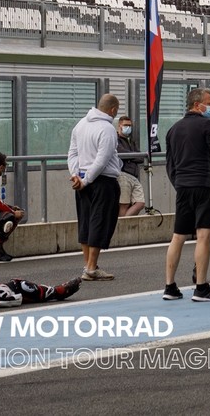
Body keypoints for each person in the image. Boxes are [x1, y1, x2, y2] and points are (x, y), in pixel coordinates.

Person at [162, 87, 210, 302]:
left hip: (183, 185)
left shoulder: (173, 129)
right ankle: (201, 287)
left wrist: (180, 182)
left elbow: (170, 164)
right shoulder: (208, 126)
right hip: (207, 185)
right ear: (197, 104)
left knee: (178, 236)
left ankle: (170, 286)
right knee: (204, 235)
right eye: (209, 102)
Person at [67, 92, 122, 281]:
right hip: (102, 181)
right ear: (113, 109)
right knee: (100, 221)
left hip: (82, 181)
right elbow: (102, 159)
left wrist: (77, 175)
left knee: (86, 220)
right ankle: (91, 268)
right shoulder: (107, 128)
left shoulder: (81, 124)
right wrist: (87, 179)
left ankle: (88, 265)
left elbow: (72, 153)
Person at [115, 116, 146, 217]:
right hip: (123, 174)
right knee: (124, 204)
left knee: (140, 203)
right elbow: (122, 153)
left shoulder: (131, 141)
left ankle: (122, 223)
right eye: (125, 125)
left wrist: (130, 156)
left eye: (130, 125)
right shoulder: (116, 139)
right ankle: (121, 227)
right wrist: (132, 156)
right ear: (119, 126)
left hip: (134, 176)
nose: (128, 127)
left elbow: (140, 158)